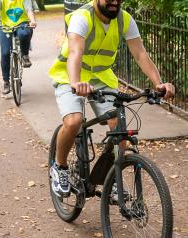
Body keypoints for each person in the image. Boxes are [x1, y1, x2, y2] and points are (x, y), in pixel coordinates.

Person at [48, 0, 175, 197]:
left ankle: (111, 178)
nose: (114, 1)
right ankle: (60, 167)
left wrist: (158, 83)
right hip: (70, 77)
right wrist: (75, 82)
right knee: (73, 122)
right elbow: (75, 52)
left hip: (101, 78)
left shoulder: (124, 20)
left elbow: (140, 54)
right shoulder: (82, 18)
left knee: (119, 125)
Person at [0, 0, 37, 94]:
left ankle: (25, 55)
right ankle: (6, 82)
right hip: (4, 26)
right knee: (5, 53)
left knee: (24, 33)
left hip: (22, 24)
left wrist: (32, 21)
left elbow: (29, 9)